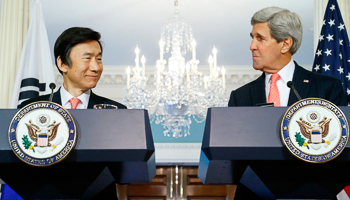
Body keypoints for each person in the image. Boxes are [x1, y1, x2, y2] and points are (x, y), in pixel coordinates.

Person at [228, 7, 347, 107]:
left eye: (260, 38)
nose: (252, 46)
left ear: (285, 44)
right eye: (252, 38)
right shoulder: (239, 97)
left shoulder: (327, 88)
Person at [18, 27, 126, 109]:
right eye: (87, 58)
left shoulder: (115, 111)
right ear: (62, 64)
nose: (96, 67)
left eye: (99, 59)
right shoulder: (32, 108)